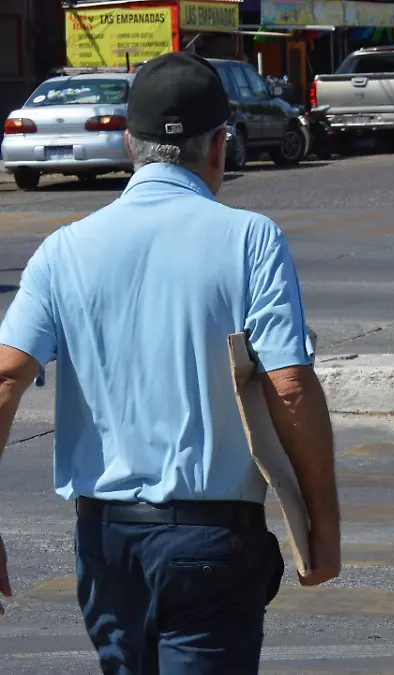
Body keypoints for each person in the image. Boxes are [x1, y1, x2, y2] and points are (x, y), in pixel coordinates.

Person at [0, 52, 342, 671]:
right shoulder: (250, 237)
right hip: (211, 541)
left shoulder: (62, 251)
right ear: (219, 146)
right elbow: (288, 384)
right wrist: (323, 528)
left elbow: (4, 377)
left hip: (107, 544)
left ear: (131, 145)